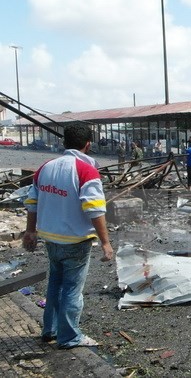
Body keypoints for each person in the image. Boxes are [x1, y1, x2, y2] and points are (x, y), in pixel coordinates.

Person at [22, 123, 113, 349]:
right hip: (75, 241)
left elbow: (31, 202)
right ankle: (69, 337)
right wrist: (105, 242)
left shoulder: (45, 167)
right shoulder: (86, 171)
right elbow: (94, 209)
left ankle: (49, 330)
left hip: (50, 238)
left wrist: (30, 231)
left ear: (64, 143)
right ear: (88, 145)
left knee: (55, 284)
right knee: (72, 289)